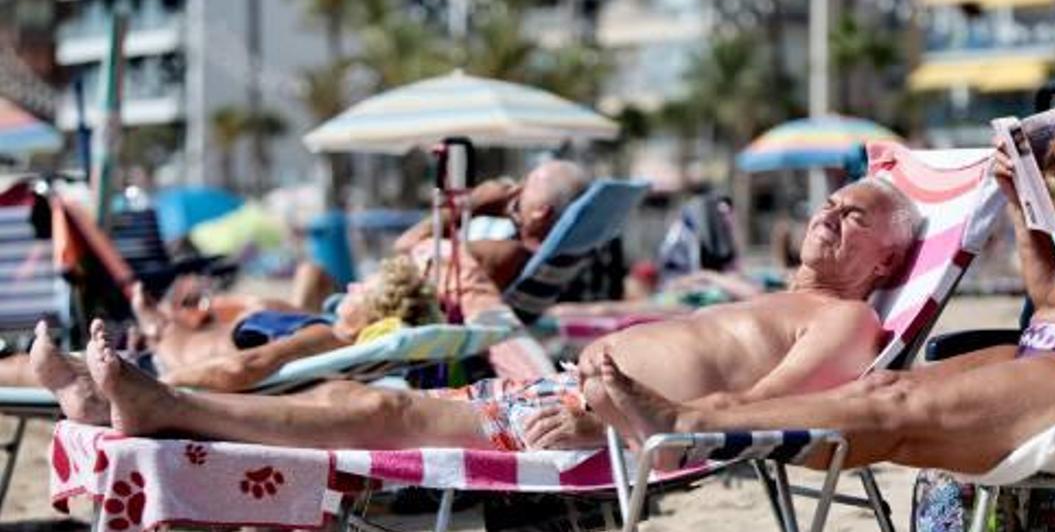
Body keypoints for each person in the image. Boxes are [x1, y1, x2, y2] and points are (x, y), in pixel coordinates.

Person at [592, 0, 1055, 475]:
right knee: (884, 384)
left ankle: (690, 428)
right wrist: (1019, 202)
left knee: (895, 405)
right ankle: (704, 418)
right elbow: (1049, 293)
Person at [44, 178, 921, 452]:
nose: (829, 214)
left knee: (382, 408)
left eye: (855, 217)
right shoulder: (777, 295)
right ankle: (130, 401)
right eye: (831, 202)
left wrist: (616, 427)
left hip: (598, 435)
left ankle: (161, 406)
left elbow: (763, 415)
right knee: (360, 394)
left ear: (884, 260)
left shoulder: (847, 324)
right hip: (563, 400)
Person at [34, 256, 442, 400]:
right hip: (160, 362)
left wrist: (143, 387)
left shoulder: (329, 335)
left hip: (156, 371)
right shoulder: (329, 334)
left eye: (361, 288)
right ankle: (158, 326)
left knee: (26, 367)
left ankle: (158, 329)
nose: (349, 286)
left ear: (374, 309)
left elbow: (243, 368)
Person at [394, 160, 591, 290]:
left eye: (524, 186)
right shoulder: (566, 258)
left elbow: (405, 248)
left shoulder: (503, 254)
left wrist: (470, 204)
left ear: (540, 212)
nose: (514, 190)